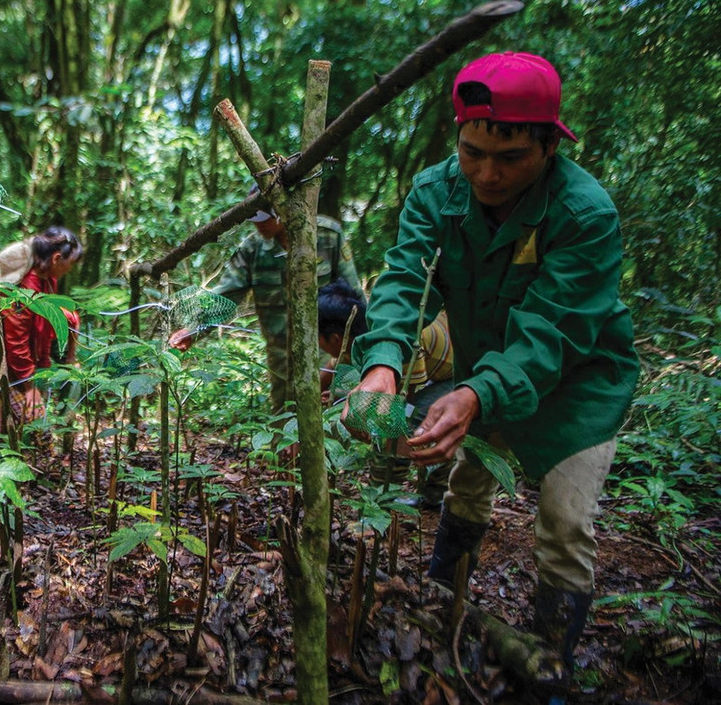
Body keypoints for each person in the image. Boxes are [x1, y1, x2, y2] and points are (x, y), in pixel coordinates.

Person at [346, 52, 639, 669]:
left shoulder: (585, 213)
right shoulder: (435, 191)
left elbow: (552, 331)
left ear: (549, 147)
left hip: (579, 387)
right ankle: (443, 597)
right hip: (486, 373)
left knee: (564, 520)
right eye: (472, 151)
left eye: (510, 158)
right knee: (467, 482)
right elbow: (404, 281)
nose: (486, 173)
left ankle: (548, 656)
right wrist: (382, 365)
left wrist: (478, 393)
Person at [172, 183, 361, 413]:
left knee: (328, 414)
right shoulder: (252, 250)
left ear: (283, 210)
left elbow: (353, 296)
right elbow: (228, 293)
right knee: (283, 417)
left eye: (263, 217)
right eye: (253, 217)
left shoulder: (326, 236)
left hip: (325, 350)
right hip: (281, 355)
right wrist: (194, 329)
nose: (257, 224)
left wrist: (361, 349)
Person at [317, 279, 454, 507]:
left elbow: (402, 400)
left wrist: (354, 403)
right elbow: (333, 366)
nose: (319, 345)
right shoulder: (355, 335)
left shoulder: (404, 342)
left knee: (400, 427)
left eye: (319, 338)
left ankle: (387, 500)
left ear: (335, 338)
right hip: (433, 360)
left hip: (452, 373)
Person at [0, 227, 83, 426]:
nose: (69, 269)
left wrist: (42, 368)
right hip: (0, 360)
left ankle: (3, 451)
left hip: (24, 366)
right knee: (36, 427)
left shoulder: (48, 281)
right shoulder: (24, 286)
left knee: (16, 421)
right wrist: (29, 386)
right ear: (56, 258)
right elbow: (15, 340)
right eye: (70, 264)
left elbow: (45, 329)